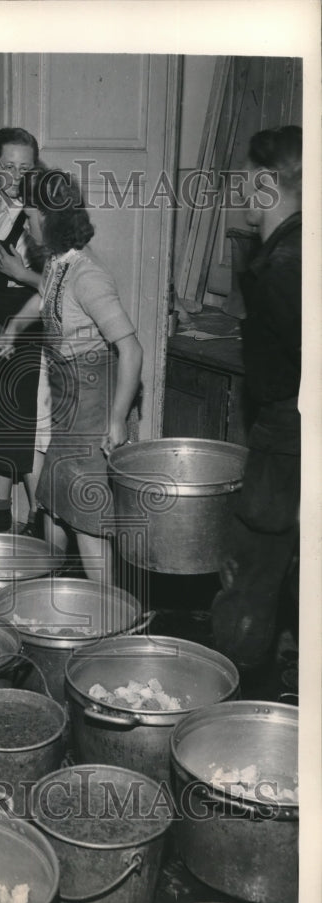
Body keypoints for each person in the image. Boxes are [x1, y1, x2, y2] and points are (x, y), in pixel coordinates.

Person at [0, 169, 143, 584]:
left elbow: (132, 350)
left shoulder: (89, 274)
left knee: (88, 521)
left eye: (29, 216)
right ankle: (54, 598)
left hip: (93, 403)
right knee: (57, 502)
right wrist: (12, 330)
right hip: (67, 400)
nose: (25, 225)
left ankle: (109, 619)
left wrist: (117, 420)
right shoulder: (61, 263)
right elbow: (45, 293)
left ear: (49, 217)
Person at [211, 125, 302, 698]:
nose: (242, 192)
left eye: (247, 180)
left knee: (250, 577)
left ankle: (233, 709)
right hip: (287, 432)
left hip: (286, 437)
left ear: (268, 183)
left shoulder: (283, 268)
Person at [0, 128, 48, 534]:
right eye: (8, 166)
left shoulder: (44, 214)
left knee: (21, 431)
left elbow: (65, 285)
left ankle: (40, 523)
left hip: (27, 331)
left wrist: (23, 273)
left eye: (25, 167)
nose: (16, 176)